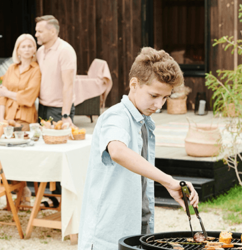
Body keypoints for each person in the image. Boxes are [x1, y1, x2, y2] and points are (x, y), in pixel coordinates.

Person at [78, 47, 199, 249]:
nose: (159, 104)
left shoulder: (143, 121)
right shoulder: (116, 116)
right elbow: (117, 150)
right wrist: (169, 182)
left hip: (134, 227)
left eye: (165, 97)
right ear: (134, 84)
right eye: (154, 95)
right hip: (107, 235)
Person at [35, 15, 77, 126]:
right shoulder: (40, 51)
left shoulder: (65, 51)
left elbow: (68, 85)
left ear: (53, 32)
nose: (36, 35)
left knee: (59, 142)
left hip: (59, 109)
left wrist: (65, 115)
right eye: (36, 31)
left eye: (40, 31)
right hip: (42, 106)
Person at [0, 34, 41, 131]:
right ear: (18, 51)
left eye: (30, 46)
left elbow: (29, 97)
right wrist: (0, 119)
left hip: (25, 117)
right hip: (7, 115)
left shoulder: (36, 70)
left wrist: (7, 93)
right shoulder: (11, 68)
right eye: (23, 47)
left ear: (34, 49)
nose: (27, 49)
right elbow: (2, 96)